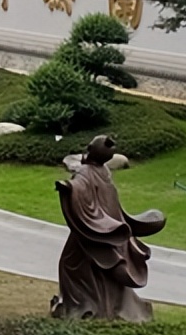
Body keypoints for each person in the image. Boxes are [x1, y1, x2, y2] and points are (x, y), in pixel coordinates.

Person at [52, 135, 166, 321]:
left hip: (97, 230)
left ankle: (84, 307)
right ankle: (101, 307)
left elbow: (81, 188)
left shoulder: (88, 172)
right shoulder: (102, 171)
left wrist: (68, 187)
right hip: (104, 227)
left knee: (70, 264)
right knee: (79, 264)